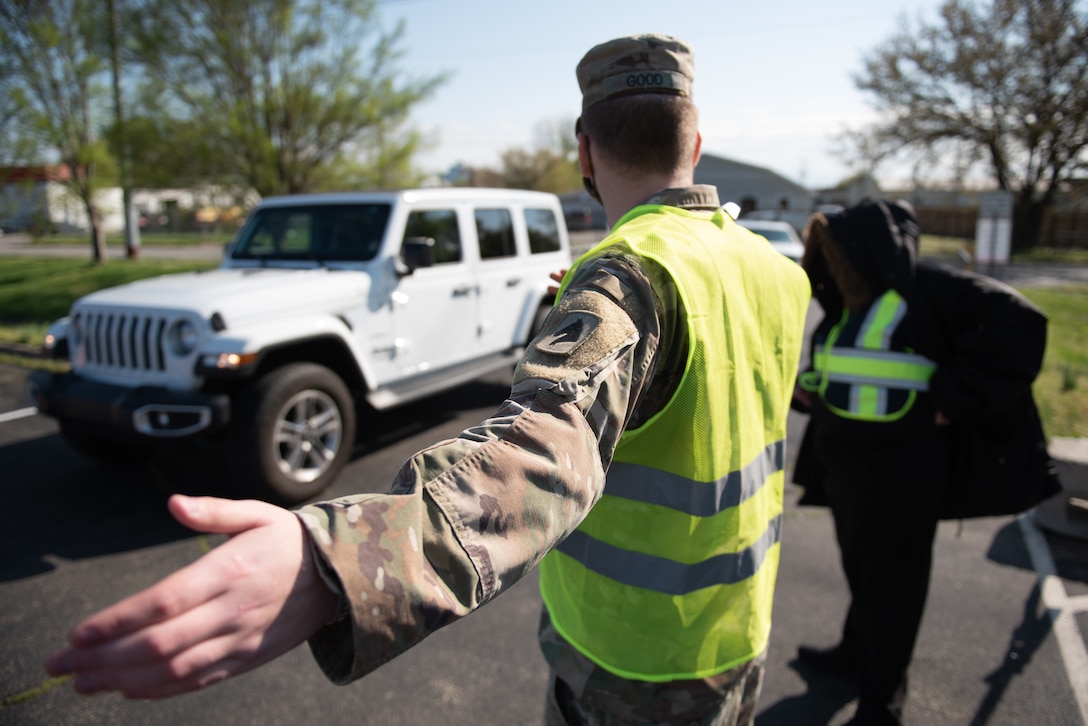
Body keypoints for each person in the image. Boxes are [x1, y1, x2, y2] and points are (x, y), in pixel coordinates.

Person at [45, 33, 811, 725]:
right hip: (738, 627)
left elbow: (546, 447)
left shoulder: (628, 276)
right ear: (697, 143)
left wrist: (344, 560)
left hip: (630, 660)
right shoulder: (775, 273)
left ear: (584, 152)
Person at [790, 199, 1060, 726]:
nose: (830, 260)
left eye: (837, 249)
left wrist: (952, 398)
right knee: (864, 573)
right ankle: (854, 656)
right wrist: (810, 389)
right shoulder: (847, 299)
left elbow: (1023, 326)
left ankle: (881, 705)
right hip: (848, 468)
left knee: (893, 588)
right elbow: (856, 367)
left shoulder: (930, 289)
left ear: (867, 250)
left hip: (903, 474)